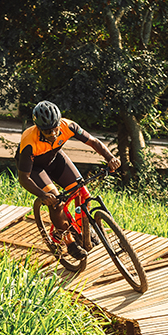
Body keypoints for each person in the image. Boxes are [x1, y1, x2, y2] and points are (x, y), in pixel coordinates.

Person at [16, 100, 120, 260]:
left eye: (55, 128)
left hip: (55, 158)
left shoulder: (68, 126)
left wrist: (110, 158)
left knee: (82, 191)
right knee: (56, 203)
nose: (53, 134)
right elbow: (24, 178)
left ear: (59, 123)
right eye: (47, 131)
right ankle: (69, 241)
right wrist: (42, 196)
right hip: (35, 168)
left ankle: (84, 228)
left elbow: (93, 141)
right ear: (39, 128)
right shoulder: (29, 141)